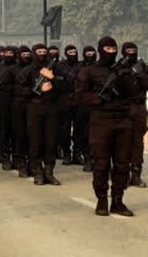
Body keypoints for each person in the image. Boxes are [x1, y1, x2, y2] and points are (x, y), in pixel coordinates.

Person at [75, 36, 136, 216]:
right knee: (101, 163)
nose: (111, 52)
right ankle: (102, 199)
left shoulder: (124, 70)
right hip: (101, 120)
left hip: (123, 120)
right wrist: (98, 98)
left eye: (113, 49)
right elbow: (79, 95)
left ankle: (117, 200)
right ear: (101, 50)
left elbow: (133, 92)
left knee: (122, 164)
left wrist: (126, 76)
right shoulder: (89, 71)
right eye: (107, 49)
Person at [18, 44, 61, 185]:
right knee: (35, 141)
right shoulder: (27, 70)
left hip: (51, 107)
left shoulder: (54, 68)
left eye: (44, 51)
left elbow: (67, 85)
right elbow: (19, 90)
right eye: (39, 52)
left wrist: (52, 79)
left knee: (51, 140)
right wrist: (36, 90)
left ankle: (49, 172)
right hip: (34, 107)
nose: (42, 54)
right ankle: (38, 171)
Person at [122, 42, 148, 188]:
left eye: (133, 50)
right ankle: (123, 174)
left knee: (137, 142)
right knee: (122, 143)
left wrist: (140, 74)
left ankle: (136, 175)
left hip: (138, 107)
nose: (131, 53)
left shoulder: (142, 66)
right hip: (123, 108)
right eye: (128, 50)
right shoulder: (119, 66)